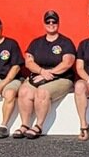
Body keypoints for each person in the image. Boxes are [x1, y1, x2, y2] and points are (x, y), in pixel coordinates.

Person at [16, 11, 77, 139]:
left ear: (58, 23)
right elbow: (29, 62)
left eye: (54, 21)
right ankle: (25, 125)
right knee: (24, 91)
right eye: (48, 22)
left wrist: (48, 73)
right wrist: (41, 72)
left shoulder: (66, 42)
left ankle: (38, 125)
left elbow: (67, 63)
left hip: (61, 77)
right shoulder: (36, 43)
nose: (51, 24)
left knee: (42, 92)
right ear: (44, 24)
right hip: (39, 75)